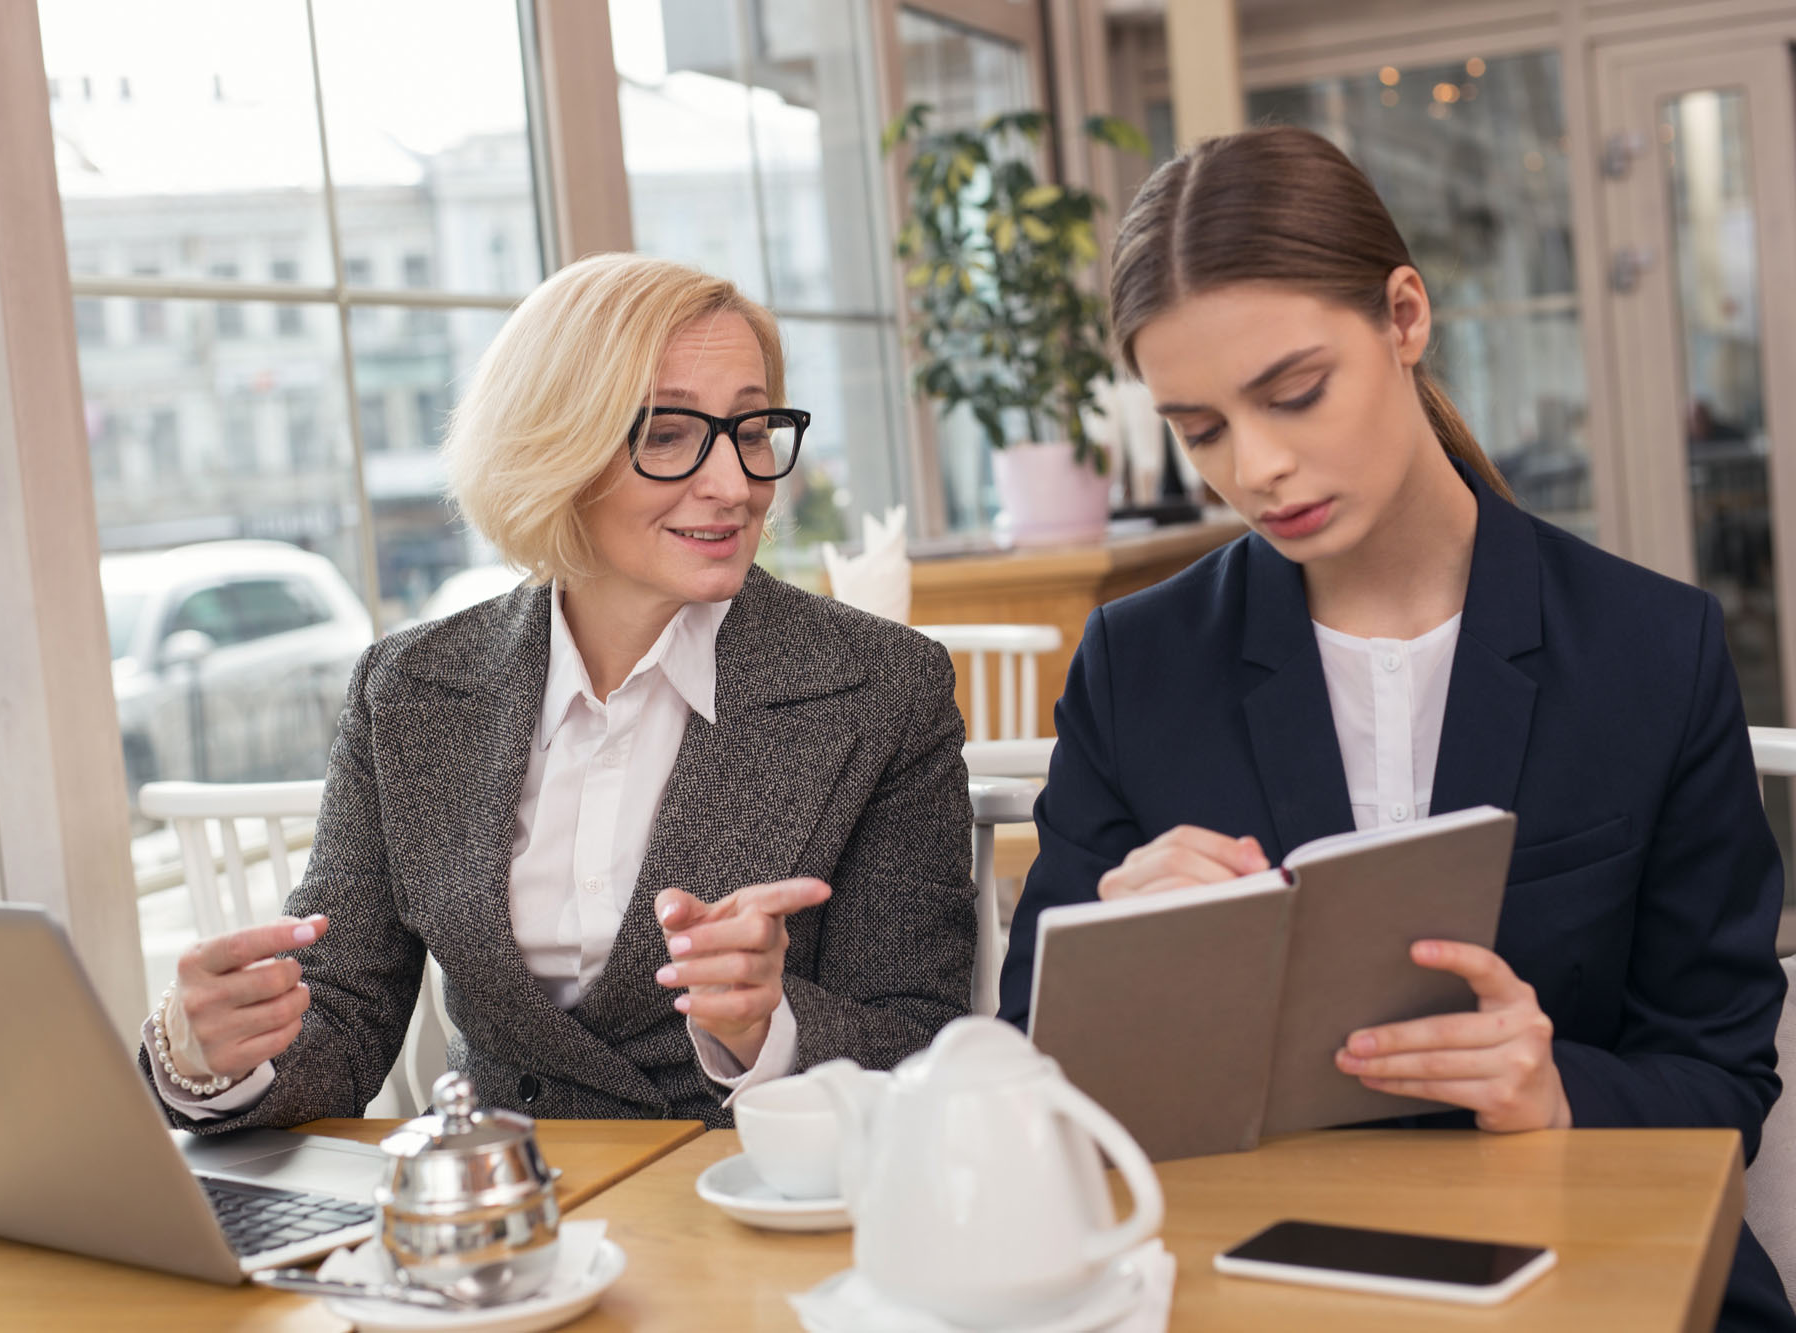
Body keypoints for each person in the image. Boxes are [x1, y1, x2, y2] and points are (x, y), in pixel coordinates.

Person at [998, 126, 1792, 1330]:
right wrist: (1119, 952)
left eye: (1294, 392)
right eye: (1200, 430)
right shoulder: (1136, 664)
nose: (1256, 467)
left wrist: (1552, 1085)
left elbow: (1723, 1071)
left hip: (1591, 1259)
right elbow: (1024, 1070)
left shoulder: (1648, 649)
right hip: (1248, 1281)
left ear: (1403, 316)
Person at [139, 253, 975, 1129]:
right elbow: (341, 1022)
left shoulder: (882, 688)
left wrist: (768, 1027)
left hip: (741, 1209)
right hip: (499, 1218)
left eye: (753, 429)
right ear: (556, 451)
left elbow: (923, 1042)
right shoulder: (409, 690)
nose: (736, 484)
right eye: (667, 434)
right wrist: (204, 1055)